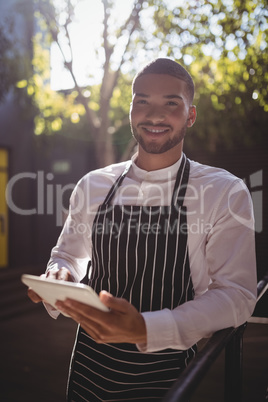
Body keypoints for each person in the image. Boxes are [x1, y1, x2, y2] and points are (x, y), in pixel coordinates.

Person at [28, 58, 257, 401]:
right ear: (131, 109)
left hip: (165, 379)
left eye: (171, 103)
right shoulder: (93, 185)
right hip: (88, 372)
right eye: (143, 101)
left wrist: (146, 328)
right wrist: (59, 274)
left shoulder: (223, 192)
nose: (154, 114)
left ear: (190, 116)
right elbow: (69, 254)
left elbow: (237, 295)